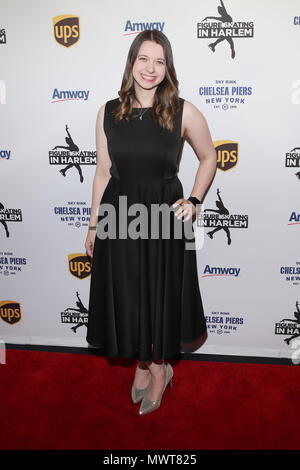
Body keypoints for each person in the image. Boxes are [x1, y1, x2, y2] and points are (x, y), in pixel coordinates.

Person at [84, 29, 217, 416]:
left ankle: (160, 370)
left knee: (158, 295)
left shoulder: (183, 110)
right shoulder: (108, 111)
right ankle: (141, 364)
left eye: (160, 61)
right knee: (129, 295)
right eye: (144, 58)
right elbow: (102, 172)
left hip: (162, 215)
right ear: (131, 62)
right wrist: (93, 226)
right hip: (119, 213)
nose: (151, 68)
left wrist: (193, 200)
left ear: (167, 67)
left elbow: (209, 157)